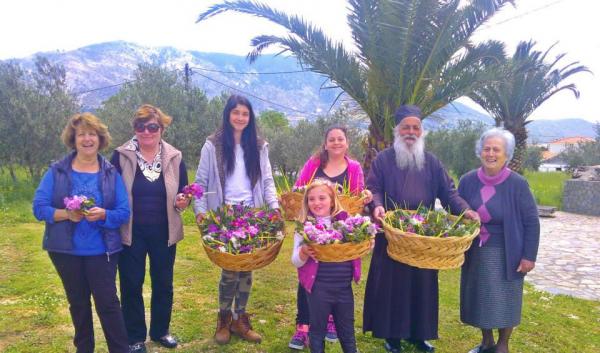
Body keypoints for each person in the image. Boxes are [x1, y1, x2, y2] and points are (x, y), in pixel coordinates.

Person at [363, 105, 479, 353]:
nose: (411, 132)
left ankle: (420, 335)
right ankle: (392, 336)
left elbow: (448, 192)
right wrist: (378, 207)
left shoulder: (432, 162)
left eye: (416, 127)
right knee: (392, 286)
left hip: (424, 238)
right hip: (393, 234)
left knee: (423, 285)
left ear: (422, 131)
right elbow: (372, 189)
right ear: (397, 130)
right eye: (406, 127)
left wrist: (465, 210)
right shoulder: (383, 160)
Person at [32, 113, 130, 353]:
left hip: (102, 251)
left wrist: (104, 215)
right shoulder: (57, 171)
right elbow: (39, 207)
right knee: (78, 304)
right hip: (66, 251)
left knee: (108, 304)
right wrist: (67, 214)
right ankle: (83, 349)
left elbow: (123, 211)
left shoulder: (110, 173)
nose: (87, 139)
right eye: (81, 134)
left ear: (100, 139)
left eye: (92, 134)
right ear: (73, 139)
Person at [193, 94, 279, 345]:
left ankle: (240, 318)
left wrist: (273, 207)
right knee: (229, 270)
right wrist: (200, 212)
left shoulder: (260, 146)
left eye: (245, 113)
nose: (240, 117)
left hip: (252, 214)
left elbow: (267, 180)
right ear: (228, 115)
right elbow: (200, 182)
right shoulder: (213, 145)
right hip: (224, 216)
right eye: (236, 113)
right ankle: (223, 318)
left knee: (246, 268)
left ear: (250, 117)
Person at [110, 104, 190, 353]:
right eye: (140, 127)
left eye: (152, 126)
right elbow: (111, 191)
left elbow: (183, 192)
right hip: (131, 232)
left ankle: (160, 331)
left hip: (164, 232)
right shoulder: (121, 155)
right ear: (134, 129)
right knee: (131, 284)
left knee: (163, 283)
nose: (146, 132)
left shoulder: (174, 157)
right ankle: (134, 337)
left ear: (161, 128)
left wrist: (183, 201)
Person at [289, 125, 373, 350]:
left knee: (337, 276)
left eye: (340, 139)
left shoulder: (353, 167)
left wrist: (364, 199)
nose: (336, 143)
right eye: (331, 139)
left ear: (347, 143)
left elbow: (358, 195)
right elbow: (300, 189)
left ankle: (332, 322)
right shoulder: (314, 164)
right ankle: (303, 326)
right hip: (314, 232)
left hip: (340, 223)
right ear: (325, 144)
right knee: (308, 280)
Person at [458, 128, 540, 353]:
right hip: (476, 250)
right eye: (487, 149)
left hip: (507, 250)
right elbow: (455, 208)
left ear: (507, 155)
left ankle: (502, 344)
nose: (491, 154)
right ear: (480, 152)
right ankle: (486, 341)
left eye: (497, 149)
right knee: (480, 297)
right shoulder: (467, 180)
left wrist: (528, 256)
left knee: (506, 299)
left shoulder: (517, 184)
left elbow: (532, 222)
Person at [291, 179, 361, 353]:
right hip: (318, 289)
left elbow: (358, 248)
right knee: (317, 331)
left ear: (332, 199)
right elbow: (295, 261)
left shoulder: (346, 222)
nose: (316, 202)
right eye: (311, 199)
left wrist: (367, 239)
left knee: (347, 331)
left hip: (344, 288)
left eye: (322, 198)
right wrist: (304, 252)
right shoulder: (304, 227)